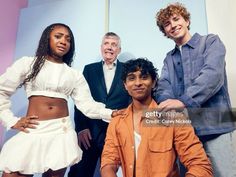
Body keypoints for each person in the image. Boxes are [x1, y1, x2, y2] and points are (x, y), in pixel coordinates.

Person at [0, 23, 116, 177]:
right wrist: (11, 121)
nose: (63, 41)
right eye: (58, 36)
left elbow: (87, 105)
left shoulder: (73, 74)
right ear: (47, 39)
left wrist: (112, 113)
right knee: (13, 173)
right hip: (33, 129)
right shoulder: (28, 64)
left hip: (61, 132)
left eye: (68, 39)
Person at [155, 3, 236, 177]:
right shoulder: (169, 58)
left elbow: (212, 76)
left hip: (216, 125)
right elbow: (163, 86)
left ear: (187, 20)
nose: (173, 25)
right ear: (165, 32)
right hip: (186, 131)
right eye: (167, 24)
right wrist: (169, 104)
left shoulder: (211, 41)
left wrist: (182, 101)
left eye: (176, 19)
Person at [101, 58, 213, 177]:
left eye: (144, 77)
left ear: (154, 82)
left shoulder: (173, 118)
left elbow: (200, 165)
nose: (138, 83)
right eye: (132, 78)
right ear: (125, 85)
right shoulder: (117, 121)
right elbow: (108, 162)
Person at [68, 32, 130, 177]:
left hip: (117, 131)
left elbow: (130, 100)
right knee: (80, 171)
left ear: (119, 50)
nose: (109, 47)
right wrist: (81, 128)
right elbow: (80, 100)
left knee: (109, 171)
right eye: (106, 43)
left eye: (114, 44)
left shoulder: (128, 70)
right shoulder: (89, 69)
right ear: (101, 47)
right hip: (90, 132)